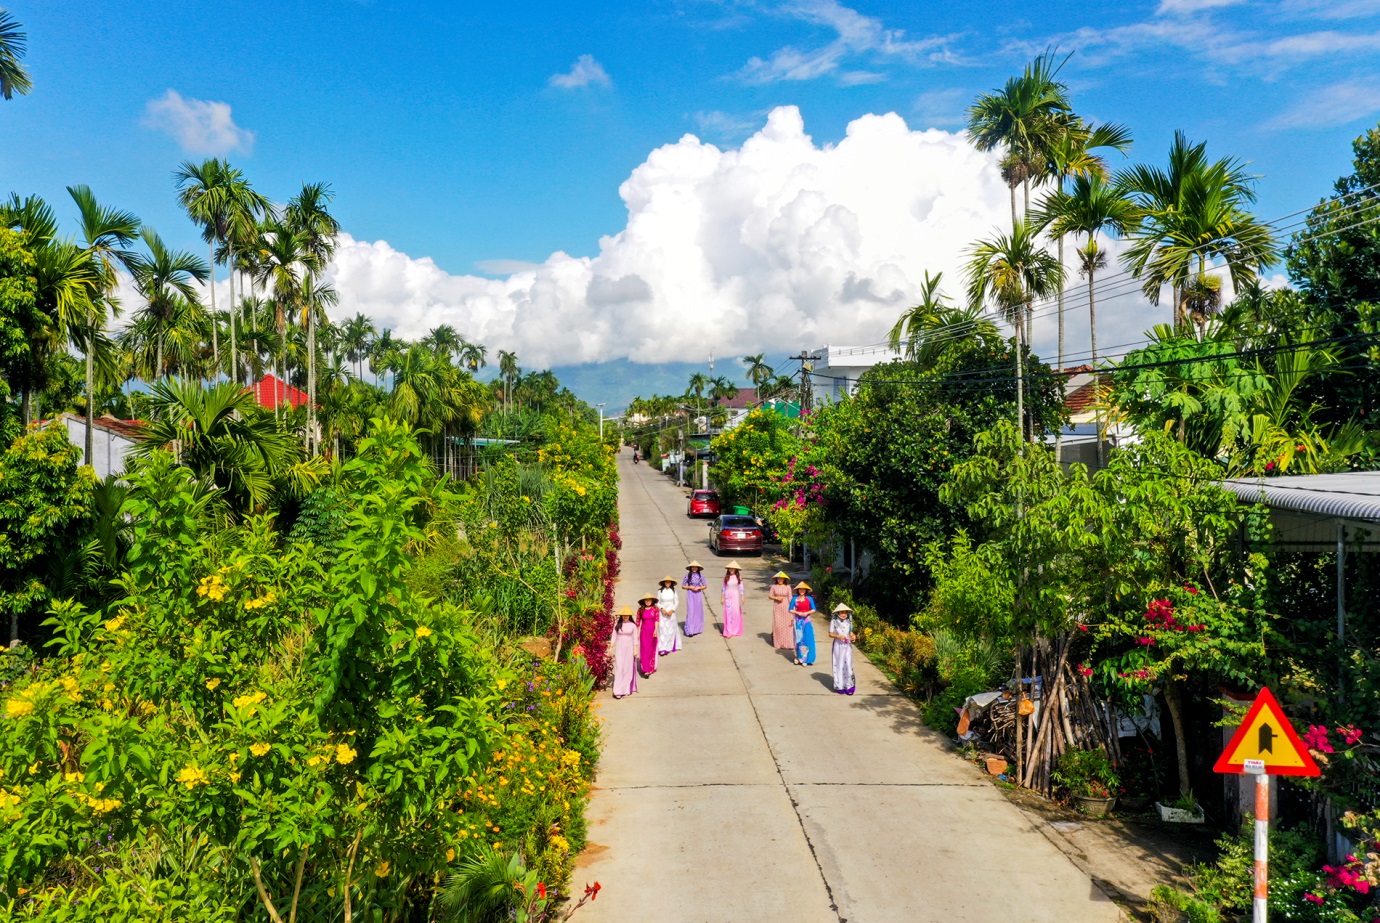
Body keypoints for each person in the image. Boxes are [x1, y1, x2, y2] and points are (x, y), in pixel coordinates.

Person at [828, 603, 857, 695]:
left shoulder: (849, 621)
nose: (843, 614)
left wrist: (853, 636)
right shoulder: (834, 621)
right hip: (838, 645)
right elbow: (830, 634)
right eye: (841, 612)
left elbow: (851, 633)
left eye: (845, 612)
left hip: (847, 646)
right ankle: (839, 685)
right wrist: (838, 636)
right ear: (838, 613)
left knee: (848, 665)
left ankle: (849, 685)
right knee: (839, 664)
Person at [612, 605, 639, 699]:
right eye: (623, 615)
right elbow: (614, 636)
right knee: (619, 668)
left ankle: (626, 688)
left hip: (629, 648)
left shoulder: (633, 625)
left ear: (630, 615)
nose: (625, 616)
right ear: (621, 616)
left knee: (627, 668)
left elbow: (635, 638)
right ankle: (617, 690)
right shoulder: (617, 625)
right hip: (620, 647)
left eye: (627, 615)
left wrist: (635, 650)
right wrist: (611, 647)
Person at [792, 582, 817, 667]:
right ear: (798, 590)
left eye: (803, 589)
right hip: (798, 621)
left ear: (806, 590)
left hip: (806, 621)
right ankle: (799, 657)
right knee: (799, 639)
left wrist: (807, 612)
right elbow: (790, 609)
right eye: (800, 589)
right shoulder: (794, 599)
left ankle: (805, 658)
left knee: (807, 639)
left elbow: (814, 609)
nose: (802, 591)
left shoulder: (809, 598)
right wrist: (797, 612)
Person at [656, 577, 683, 655]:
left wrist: (672, 610)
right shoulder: (660, 591)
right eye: (666, 582)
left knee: (670, 629)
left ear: (671, 583)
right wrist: (661, 609)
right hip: (663, 613)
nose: (668, 583)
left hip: (671, 613)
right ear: (664, 583)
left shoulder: (673, 591)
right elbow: (657, 602)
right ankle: (662, 647)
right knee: (662, 629)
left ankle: (668, 646)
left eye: (669, 582)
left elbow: (676, 602)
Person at [768, 572, 793, 650]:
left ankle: (788, 643)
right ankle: (778, 643)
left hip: (786, 606)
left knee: (787, 625)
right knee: (778, 625)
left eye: (781, 578)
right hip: (777, 607)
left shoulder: (788, 587)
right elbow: (770, 595)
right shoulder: (774, 587)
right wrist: (776, 598)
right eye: (778, 578)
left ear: (784, 579)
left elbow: (790, 597)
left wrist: (792, 608)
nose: (780, 580)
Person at [637, 593, 660, 677]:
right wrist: (638, 633)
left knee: (651, 649)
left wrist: (656, 630)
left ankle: (650, 668)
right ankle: (645, 669)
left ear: (652, 601)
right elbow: (638, 622)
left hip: (652, 631)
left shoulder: (655, 609)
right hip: (644, 632)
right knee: (644, 649)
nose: (648, 602)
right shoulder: (640, 610)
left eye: (649, 600)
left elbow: (657, 620)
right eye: (646, 600)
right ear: (644, 601)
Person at [682, 562, 707, 637]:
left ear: (698, 568)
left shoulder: (701, 575)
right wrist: (690, 587)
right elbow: (683, 586)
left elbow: (705, 585)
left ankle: (697, 629)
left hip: (698, 594)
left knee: (698, 611)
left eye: (696, 567)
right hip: (690, 594)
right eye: (693, 567)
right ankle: (690, 630)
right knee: (691, 610)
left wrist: (699, 588)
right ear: (690, 568)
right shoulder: (687, 576)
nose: (694, 569)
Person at [721, 563, 744, 638]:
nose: (731, 570)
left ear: (736, 570)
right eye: (730, 568)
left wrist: (743, 596)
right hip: (728, 596)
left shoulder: (738, 577)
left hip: (735, 596)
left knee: (736, 612)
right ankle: (729, 631)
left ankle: (735, 629)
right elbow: (723, 588)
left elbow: (741, 587)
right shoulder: (726, 577)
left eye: (733, 569)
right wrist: (722, 598)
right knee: (728, 612)